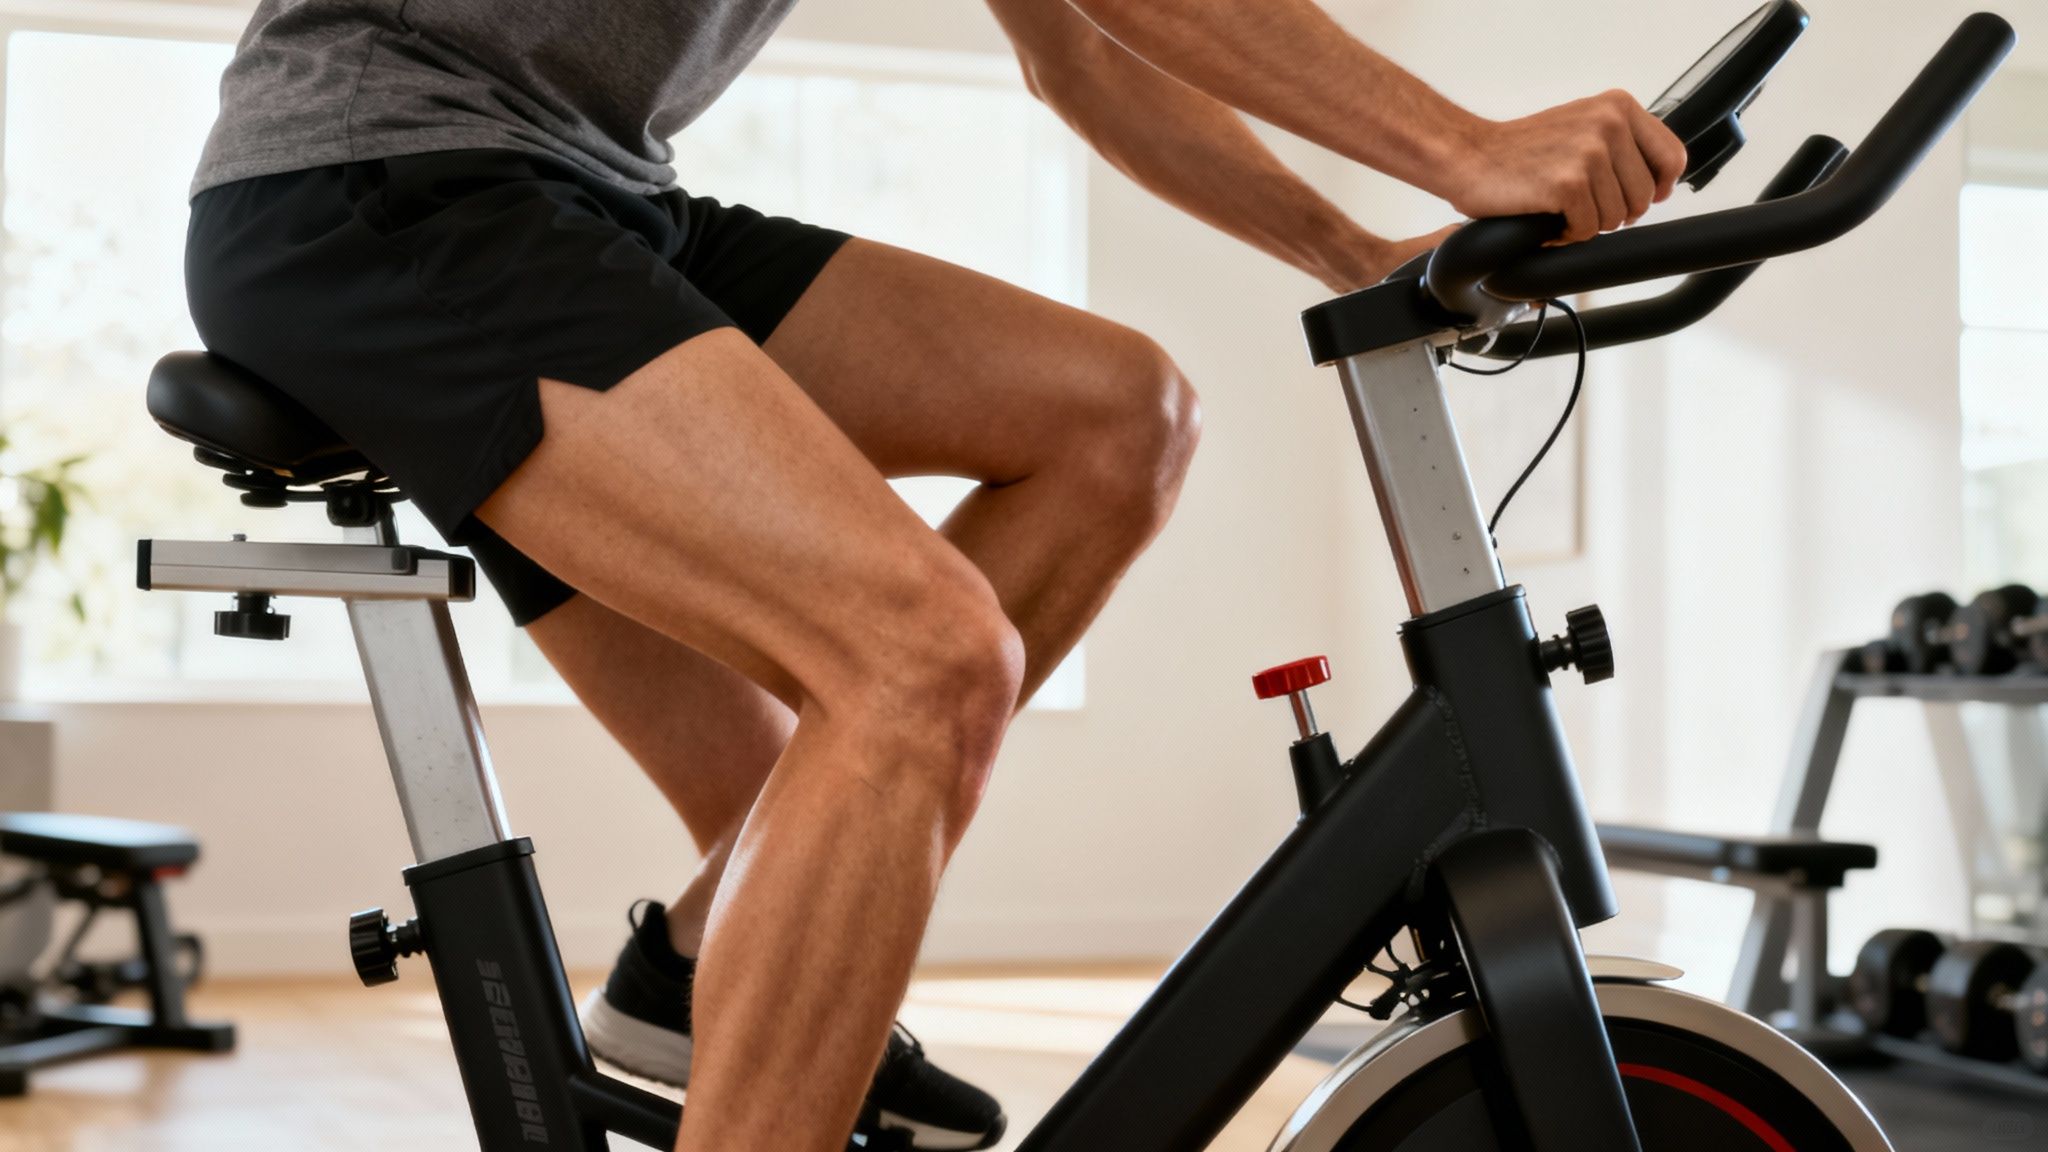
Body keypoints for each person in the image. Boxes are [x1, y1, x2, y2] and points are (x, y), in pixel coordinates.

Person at [182, 1, 1686, 1148]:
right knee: (920, 662)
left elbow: (1083, 58)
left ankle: (694, 982)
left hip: (583, 192)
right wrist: (1464, 145)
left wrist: (1346, 243)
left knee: (1118, 418)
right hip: (379, 183)